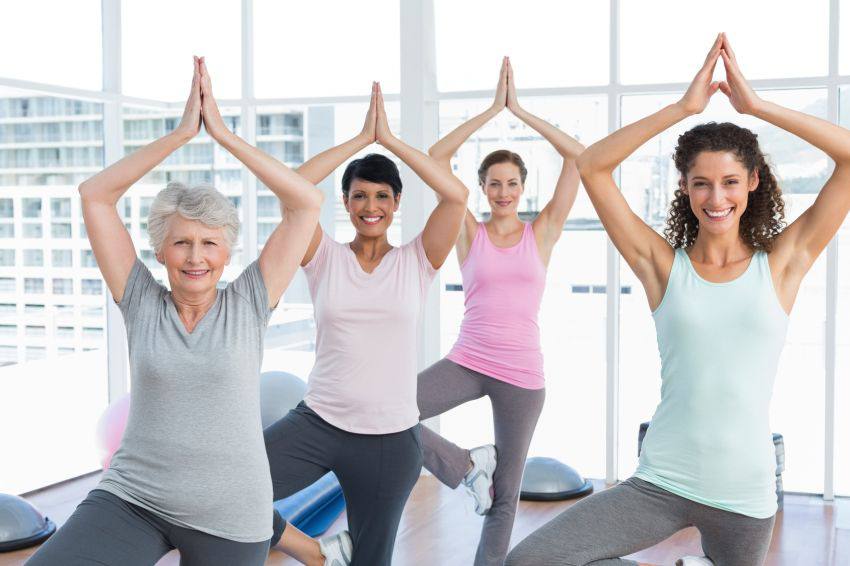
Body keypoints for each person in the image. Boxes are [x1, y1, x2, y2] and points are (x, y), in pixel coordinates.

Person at [506, 33, 850, 566]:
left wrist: (756, 106)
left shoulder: (782, 263)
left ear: (754, 182)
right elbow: (593, 166)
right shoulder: (663, 267)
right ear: (685, 189)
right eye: (702, 183)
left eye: (731, 181)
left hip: (745, 495)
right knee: (528, 561)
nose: (717, 198)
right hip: (662, 481)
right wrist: (684, 107)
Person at [27, 58, 323, 566]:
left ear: (228, 253)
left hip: (230, 512)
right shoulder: (141, 300)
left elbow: (306, 205)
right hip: (133, 496)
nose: (195, 256)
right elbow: (95, 196)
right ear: (159, 251)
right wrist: (183, 134)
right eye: (181, 242)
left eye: (210, 243)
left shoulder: (250, 302)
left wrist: (224, 136)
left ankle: (313, 552)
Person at [265, 82, 469, 566]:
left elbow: (456, 196)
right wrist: (361, 140)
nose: (370, 206)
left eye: (382, 196)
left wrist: (391, 141)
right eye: (359, 196)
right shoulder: (322, 256)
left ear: (396, 203)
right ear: (345, 201)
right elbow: (292, 185)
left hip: (391, 440)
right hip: (318, 421)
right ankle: (312, 553)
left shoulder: (417, 260)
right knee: (230, 484)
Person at [415, 57, 584, 566]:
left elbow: (577, 159)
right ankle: (465, 466)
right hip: (468, 359)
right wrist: (492, 111)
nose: (504, 193)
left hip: (523, 376)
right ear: (483, 188)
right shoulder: (469, 229)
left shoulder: (543, 231)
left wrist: (522, 112)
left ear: (522, 188)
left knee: (506, 494)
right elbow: (437, 156)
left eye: (512, 184)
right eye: (494, 184)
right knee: (389, 409)